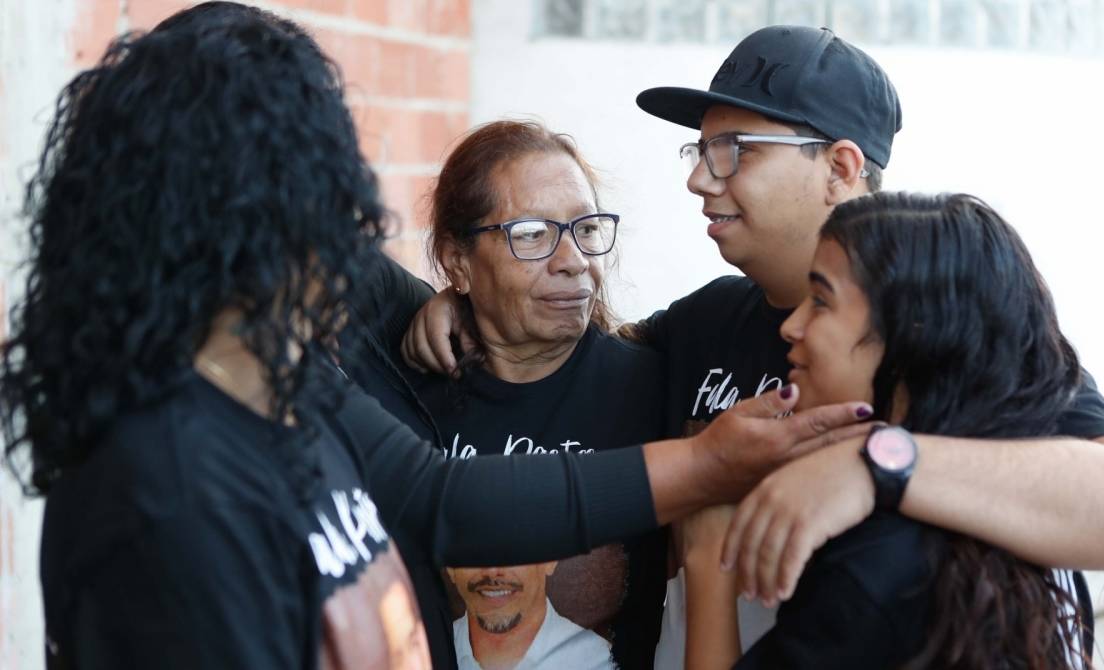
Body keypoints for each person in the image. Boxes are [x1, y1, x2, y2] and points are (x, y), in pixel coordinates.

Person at [0, 6, 874, 668]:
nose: (345, 230)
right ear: (218, 223)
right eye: (312, 191)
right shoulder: (166, 490)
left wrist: (732, 464)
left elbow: (441, 498)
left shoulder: (292, 384)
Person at [401, 25, 1104, 667]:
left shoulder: (944, 336)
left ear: (840, 166)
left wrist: (873, 465)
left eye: (733, 150)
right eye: (697, 154)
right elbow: (575, 350)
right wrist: (468, 303)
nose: (701, 182)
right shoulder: (707, 320)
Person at [685, 191, 1102, 668]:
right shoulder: (1028, 526)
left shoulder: (872, 568)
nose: (792, 326)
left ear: (913, 336)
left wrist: (708, 559)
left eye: (820, 301)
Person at [345, 119, 667, 669]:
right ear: (456, 262)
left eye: (585, 229)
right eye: (533, 234)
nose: (573, 261)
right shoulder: (407, 392)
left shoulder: (653, 389)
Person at [447, 563, 612, 670]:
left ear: (550, 560)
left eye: (514, 549)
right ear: (450, 568)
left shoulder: (599, 662)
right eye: (472, 551)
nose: (492, 572)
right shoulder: (425, 655)